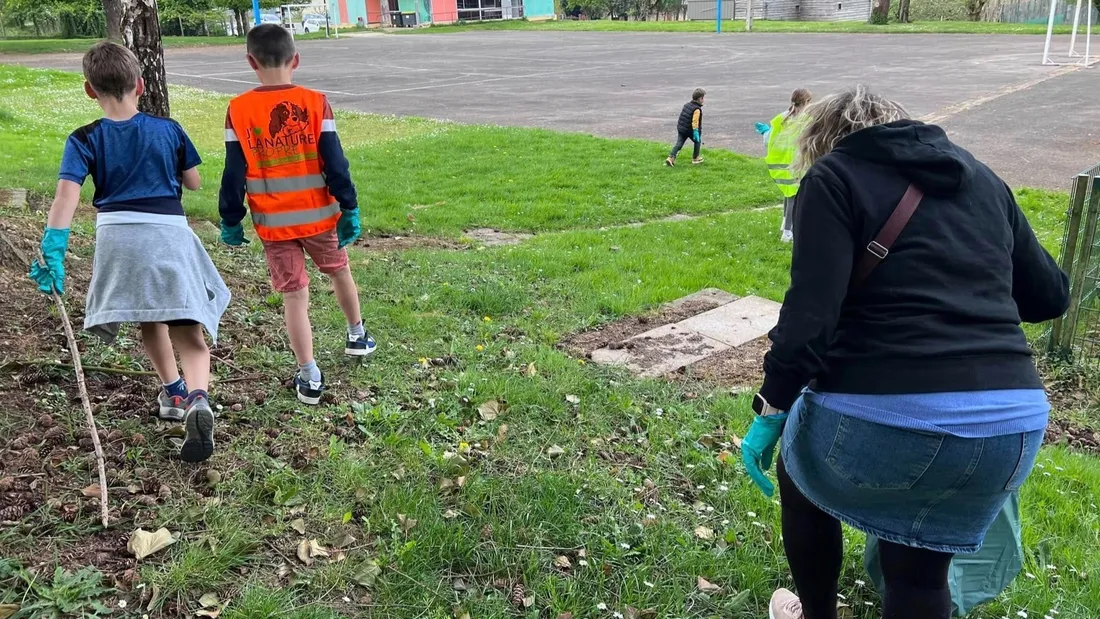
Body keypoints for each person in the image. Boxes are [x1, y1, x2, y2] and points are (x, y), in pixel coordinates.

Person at [739, 86, 1069, 619]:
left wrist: (770, 409)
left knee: (800, 473)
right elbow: (1050, 297)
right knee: (918, 576)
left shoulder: (833, 177)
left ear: (824, 138)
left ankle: (815, 612)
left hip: (891, 420)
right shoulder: (984, 179)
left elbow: (809, 324)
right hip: (1013, 426)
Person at [29, 42, 229, 463]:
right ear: (140, 85)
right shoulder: (169, 129)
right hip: (168, 234)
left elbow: (66, 198)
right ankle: (197, 398)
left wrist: (55, 247)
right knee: (188, 328)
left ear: (89, 90)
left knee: (148, 318)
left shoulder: (84, 138)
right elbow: (193, 183)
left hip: (118, 240)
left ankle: (172, 393)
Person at [219, 24, 376, 406]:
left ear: (250, 62)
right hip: (320, 217)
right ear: (296, 59)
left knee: (295, 298)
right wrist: (349, 205)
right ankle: (357, 335)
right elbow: (335, 161)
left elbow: (233, 170)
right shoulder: (315, 102)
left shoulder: (238, 110)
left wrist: (230, 217)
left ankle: (309, 377)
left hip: (274, 225)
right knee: (339, 270)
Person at [766, 88, 812, 243]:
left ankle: (784, 223)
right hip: (796, 164)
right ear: (806, 102)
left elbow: (770, 138)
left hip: (779, 163)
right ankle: (787, 232)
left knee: (787, 193)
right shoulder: (806, 120)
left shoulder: (781, 117)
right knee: (793, 195)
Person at [665, 88, 705, 167]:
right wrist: (696, 131)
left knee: (679, 143)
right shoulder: (697, 109)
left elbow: (682, 116)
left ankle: (670, 158)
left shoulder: (687, 105)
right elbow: (695, 121)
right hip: (689, 130)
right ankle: (695, 158)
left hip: (681, 128)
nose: (703, 100)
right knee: (697, 141)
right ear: (700, 99)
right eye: (703, 98)